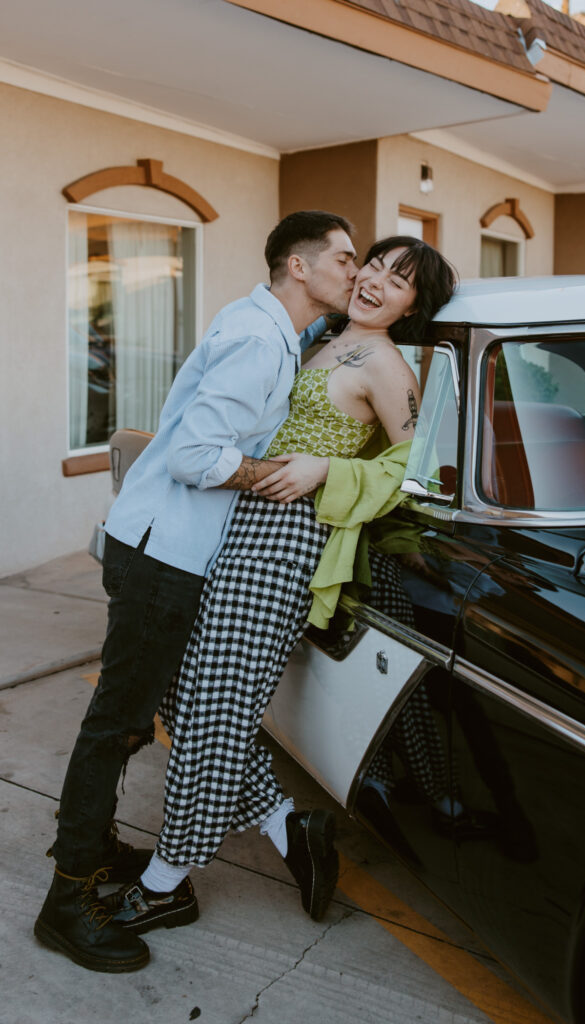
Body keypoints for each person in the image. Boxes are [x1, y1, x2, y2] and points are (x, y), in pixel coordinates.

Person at [102, 238, 457, 938]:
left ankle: (167, 881)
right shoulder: (322, 336)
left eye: (398, 280)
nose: (376, 281)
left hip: (286, 543)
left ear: (415, 305)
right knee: (175, 682)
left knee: (217, 712)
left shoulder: (386, 366)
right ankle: (286, 825)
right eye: (374, 265)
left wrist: (330, 473)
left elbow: (426, 474)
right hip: (231, 529)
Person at [34, 210, 360, 973]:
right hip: (163, 557)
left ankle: (96, 847)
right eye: (343, 258)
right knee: (116, 725)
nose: (355, 269)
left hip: (159, 548)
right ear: (299, 267)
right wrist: (278, 478)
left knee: (137, 716)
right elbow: (193, 455)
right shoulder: (257, 339)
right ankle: (67, 900)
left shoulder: (274, 332)